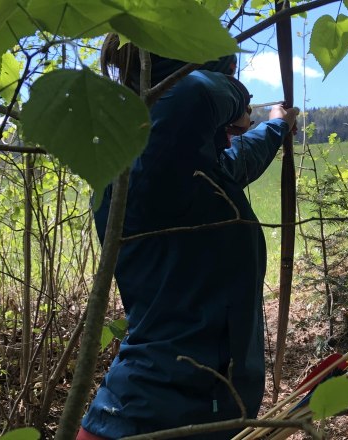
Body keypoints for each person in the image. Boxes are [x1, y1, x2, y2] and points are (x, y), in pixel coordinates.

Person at [77, 34, 299, 440]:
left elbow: (235, 161)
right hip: (158, 416)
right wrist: (238, 91)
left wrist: (275, 126)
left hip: (193, 408)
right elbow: (197, 94)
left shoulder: (176, 171)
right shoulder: (142, 168)